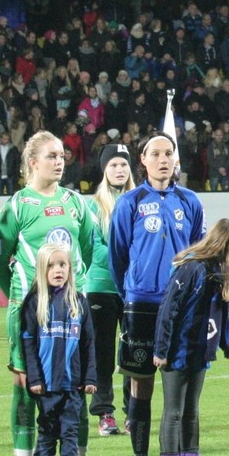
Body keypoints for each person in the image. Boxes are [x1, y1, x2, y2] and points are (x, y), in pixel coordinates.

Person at [0, 130, 97, 456]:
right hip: (31, 314)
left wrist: (71, 292)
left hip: (70, 313)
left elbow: (85, 247)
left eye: (62, 155)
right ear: (32, 162)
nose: (59, 160)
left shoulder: (76, 203)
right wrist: (22, 296)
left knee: (75, 388)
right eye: (51, 155)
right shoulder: (17, 205)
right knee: (25, 389)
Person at [109, 133, 205, 456]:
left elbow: (198, 251)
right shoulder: (130, 203)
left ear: (175, 161)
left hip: (181, 306)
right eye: (156, 154)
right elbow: (118, 255)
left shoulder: (190, 201)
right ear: (143, 160)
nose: (163, 159)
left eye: (169, 153)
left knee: (180, 389)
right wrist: (133, 291)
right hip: (143, 305)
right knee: (141, 383)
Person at [153, 219, 229, 456]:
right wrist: (161, 350)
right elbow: (169, 309)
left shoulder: (217, 272)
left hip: (199, 351)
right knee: (174, 412)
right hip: (178, 351)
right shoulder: (192, 268)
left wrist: (225, 342)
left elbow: (220, 313)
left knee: (191, 413)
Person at [22, 243, 97, 456]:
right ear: (42, 270)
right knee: (46, 434)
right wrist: (34, 378)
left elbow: (88, 343)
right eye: (51, 266)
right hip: (46, 385)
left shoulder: (79, 302)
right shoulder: (34, 303)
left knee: (70, 434)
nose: (58, 270)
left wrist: (89, 377)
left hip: (73, 385)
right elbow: (28, 344)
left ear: (70, 269)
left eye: (62, 265)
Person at [84, 143, 136, 437]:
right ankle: (105, 413)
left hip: (134, 289)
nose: (119, 170)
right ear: (105, 169)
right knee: (102, 352)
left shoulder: (141, 201)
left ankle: (133, 413)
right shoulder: (92, 206)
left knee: (133, 351)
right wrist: (128, 261)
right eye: (114, 165)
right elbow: (94, 247)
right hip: (101, 287)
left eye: (124, 165)